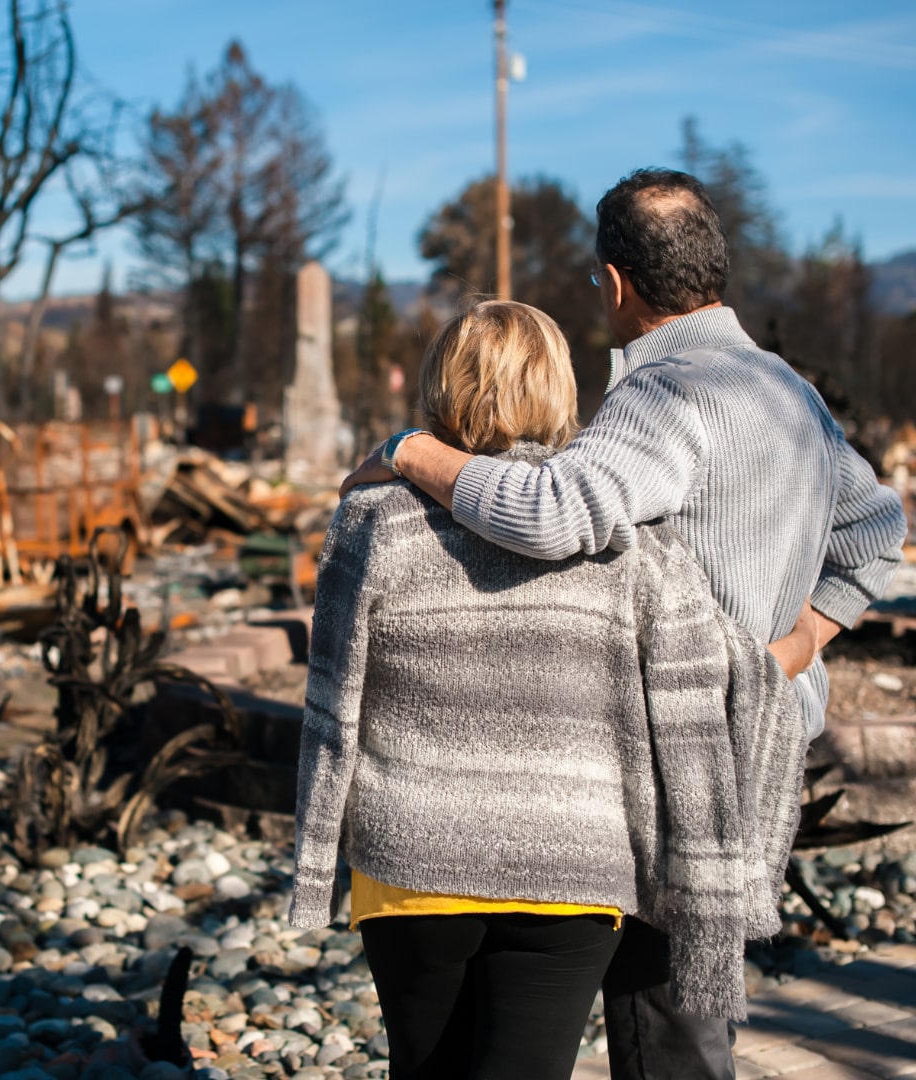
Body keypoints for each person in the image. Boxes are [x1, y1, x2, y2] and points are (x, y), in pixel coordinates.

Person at [340, 169, 908, 1080]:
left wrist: (410, 452)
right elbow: (878, 531)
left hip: (679, 754)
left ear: (614, 282)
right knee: (694, 1018)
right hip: (766, 744)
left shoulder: (665, 396)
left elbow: (550, 513)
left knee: (662, 1032)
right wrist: (798, 647)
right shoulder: (786, 392)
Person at [292, 300, 813, 1080]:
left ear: (441, 386)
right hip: (575, 869)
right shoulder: (625, 541)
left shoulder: (375, 519)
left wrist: (313, 864)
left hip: (413, 861)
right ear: (560, 391)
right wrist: (803, 643)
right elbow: (702, 686)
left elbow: (333, 706)